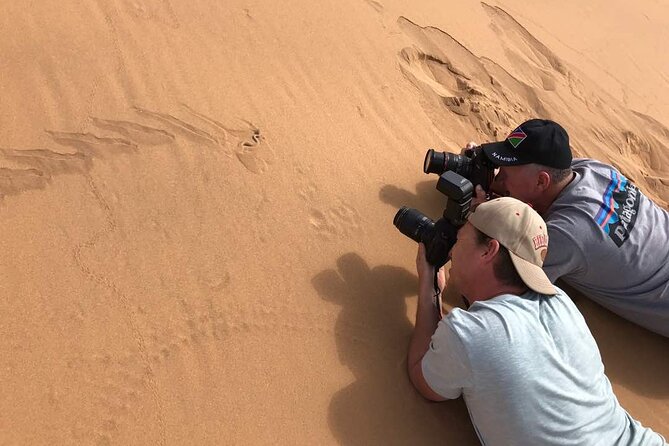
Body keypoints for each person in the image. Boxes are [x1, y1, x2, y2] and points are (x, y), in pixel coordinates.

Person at [409, 197, 666, 445]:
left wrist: (429, 285)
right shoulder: (560, 301)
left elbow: (425, 380)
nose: (452, 248)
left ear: (489, 249)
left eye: (461, 237)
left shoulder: (469, 333)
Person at [473, 119, 669, 337]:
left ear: (541, 182)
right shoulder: (592, 168)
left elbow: (493, 290)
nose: (497, 180)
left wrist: (482, 213)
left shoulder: (568, 235)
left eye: (505, 176)